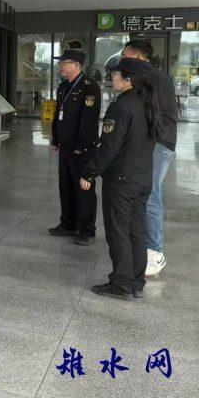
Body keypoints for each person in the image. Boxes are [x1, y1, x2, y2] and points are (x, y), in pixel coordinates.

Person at [80, 57, 161, 300]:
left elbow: (109, 145)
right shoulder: (147, 103)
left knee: (118, 232)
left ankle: (121, 284)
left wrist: (89, 172)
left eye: (115, 75)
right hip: (142, 178)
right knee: (136, 231)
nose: (111, 78)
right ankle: (136, 282)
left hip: (122, 180)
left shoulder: (121, 106)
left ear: (128, 80)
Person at [121, 38, 178, 277]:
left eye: (125, 55)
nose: (122, 60)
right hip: (146, 144)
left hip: (158, 145)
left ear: (137, 56)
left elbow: (166, 116)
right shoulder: (140, 78)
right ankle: (142, 244)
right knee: (142, 192)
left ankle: (155, 252)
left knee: (151, 194)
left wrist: (150, 141)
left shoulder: (157, 78)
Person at [48, 49, 102, 244]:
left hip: (81, 147)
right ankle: (68, 224)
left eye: (64, 63)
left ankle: (87, 230)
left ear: (77, 65)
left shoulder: (89, 87)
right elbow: (58, 114)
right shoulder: (64, 87)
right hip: (65, 145)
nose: (60, 66)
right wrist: (55, 139)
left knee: (83, 188)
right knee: (66, 186)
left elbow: (89, 120)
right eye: (60, 63)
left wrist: (82, 145)